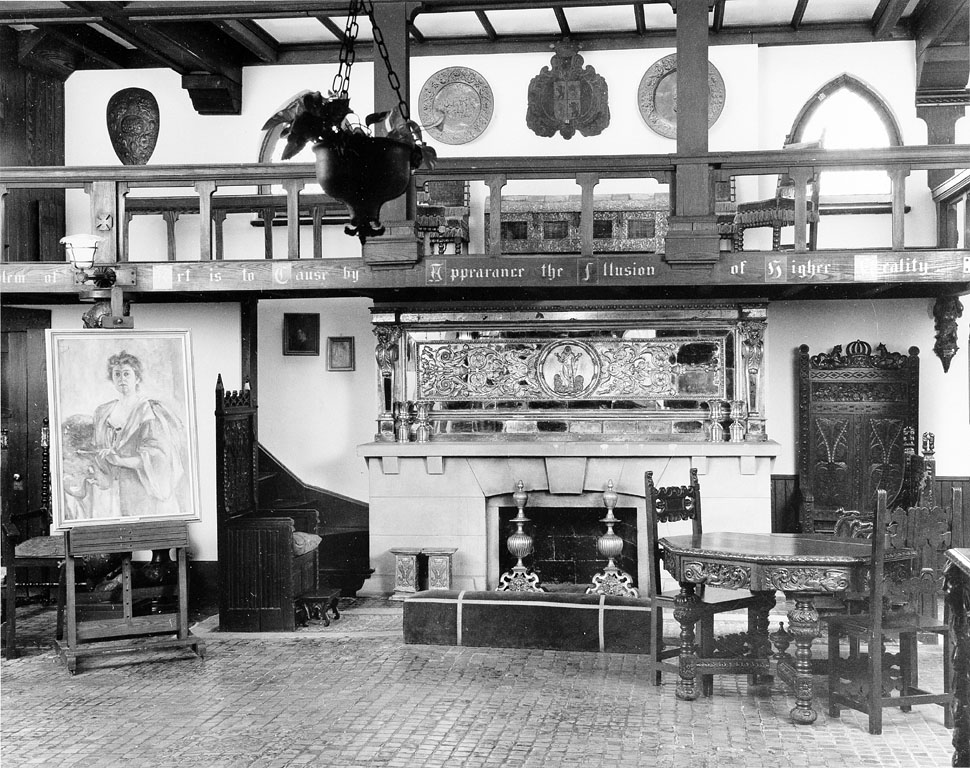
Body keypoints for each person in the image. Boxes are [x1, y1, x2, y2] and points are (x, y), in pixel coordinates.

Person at [74, 350, 187, 519]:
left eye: (127, 374)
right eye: (117, 374)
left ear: (137, 378)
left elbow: (158, 457)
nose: (122, 379)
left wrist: (120, 461)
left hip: (140, 489)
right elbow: (97, 447)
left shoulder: (148, 411)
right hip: (109, 489)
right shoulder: (103, 412)